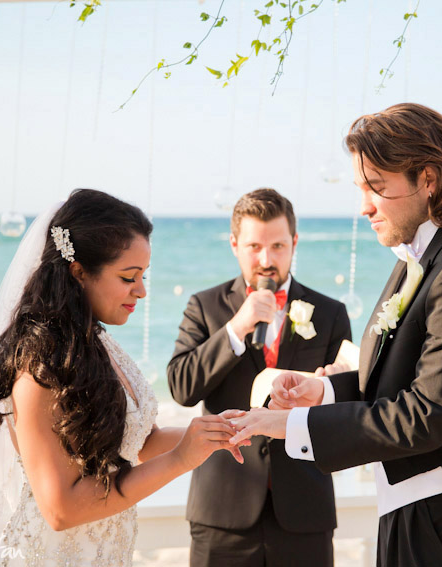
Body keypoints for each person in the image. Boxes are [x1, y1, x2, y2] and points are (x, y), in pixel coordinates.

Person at [229, 104, 442, 567]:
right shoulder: (419, 260)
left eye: (377, 187)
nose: (364, 205)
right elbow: (407, 376)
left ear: (427, 179)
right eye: (360, 189)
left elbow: (428, 413)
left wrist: (287, 425)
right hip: (414, 506)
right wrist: (324, 391)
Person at [0, 189, 246, 567]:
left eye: (143, 276)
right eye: (128, 277)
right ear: (79, 271)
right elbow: (60, 510)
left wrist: (216, 430)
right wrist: (181, 461)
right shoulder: (39, 368)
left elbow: (137, 439)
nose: (142, 291)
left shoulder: (98, 344)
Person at [168, 188, 352, 567]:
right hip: (221, 512)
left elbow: (348, 407)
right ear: (235, 244)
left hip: (305, 510)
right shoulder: (204, 307)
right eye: (254, 246)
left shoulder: (331, 313)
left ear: (295, 242)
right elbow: (181, 388)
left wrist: (326, 388)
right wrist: (236, 328)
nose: (266, 260)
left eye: (278, 246)